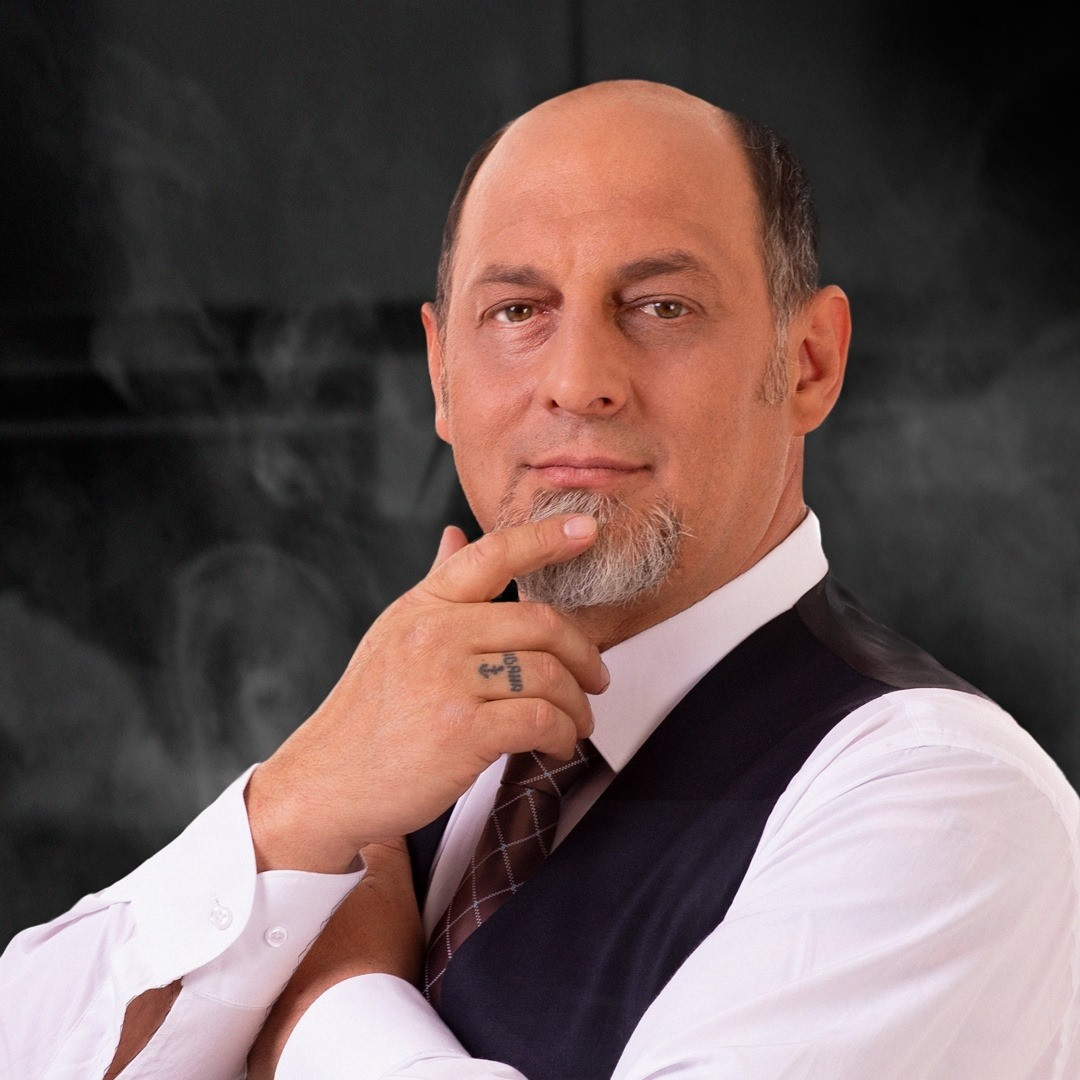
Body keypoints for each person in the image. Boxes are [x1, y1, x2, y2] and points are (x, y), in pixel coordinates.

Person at [2, 79, 1077, 1080]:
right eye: (518, 311)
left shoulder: (948, 802)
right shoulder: (395, 754)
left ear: (809, 362)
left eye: (661, 306)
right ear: (440, 374)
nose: (578, 381)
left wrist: (334, 997)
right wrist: (292, 808)